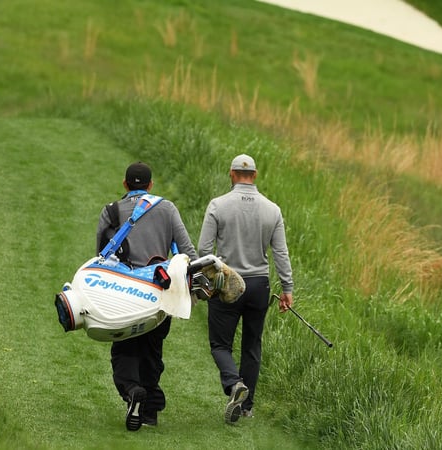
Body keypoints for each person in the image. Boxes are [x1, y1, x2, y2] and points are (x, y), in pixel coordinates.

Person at [96, 161, 198, 431]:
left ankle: (132, 391)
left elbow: (101, 255)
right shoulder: (167, 208)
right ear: (151, 185)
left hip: (122, 291)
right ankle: (150, 410)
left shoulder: (111, 211)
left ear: (125, 184)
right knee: (153, 349)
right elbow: (187, 251)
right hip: (158, 291)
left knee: (124, 348)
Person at [197, 153, 294, 424]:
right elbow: (281, 254)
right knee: (252, 346)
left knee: (219, 344)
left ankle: (233, 384)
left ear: (231, 174)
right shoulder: (272, 209)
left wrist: (208, 282)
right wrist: (287, 288)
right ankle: (247, 406)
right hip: (259, 285)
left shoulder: (218, 205)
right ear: (255, 174)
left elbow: (204, 250)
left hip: (227, 282)